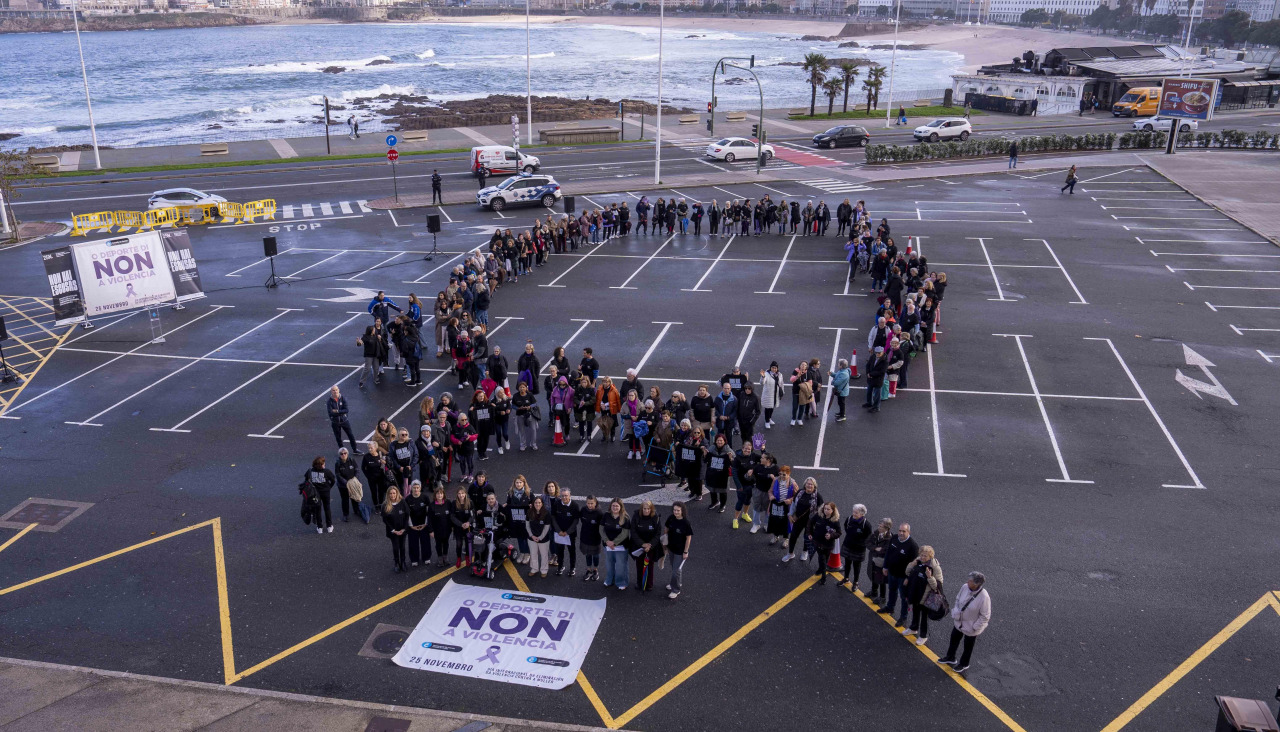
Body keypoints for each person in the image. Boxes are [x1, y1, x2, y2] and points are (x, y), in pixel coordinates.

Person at [939, 571, 991, 673]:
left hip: (971, 627)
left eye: (970, 580)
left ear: (976, 584)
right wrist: (956, 611)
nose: (968, 581)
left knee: (968, 647)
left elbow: (985, 616)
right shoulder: (964, 587)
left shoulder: (984, 597)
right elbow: (958, 599)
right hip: (959, 622)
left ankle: (964, 663)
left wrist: (975, 627)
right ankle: (950, 657)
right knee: (954, 639)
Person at [881, 522, 920, 627]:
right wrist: (885, 566)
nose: (901, 533)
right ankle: (890, 607)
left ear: (909, 532)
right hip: (891, 572)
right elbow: (888, 553)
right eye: (900, 530)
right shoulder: (894, 538)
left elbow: (915, 566)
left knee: (904, 597)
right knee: (892, 590)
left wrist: (908, 578)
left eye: (904, 531)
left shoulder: (913, 546)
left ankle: (903, 617)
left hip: (903, 577)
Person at [903, 545, 944, 645]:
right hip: (916, 593)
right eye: (921, 555)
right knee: (915, 612)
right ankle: (913, 628)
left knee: (924, 617)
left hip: (926, 597)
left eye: (925, 556)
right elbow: (908, 572)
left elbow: (938, 586)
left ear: (930, 556)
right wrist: (912, 564)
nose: (922, 558)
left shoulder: (935, 568)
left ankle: (923, 636)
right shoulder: (918, 561)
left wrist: (930, 577)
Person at [784, 477, 823, 562]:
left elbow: (821, 511)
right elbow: (794, 504)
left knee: (807, 537)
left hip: (811, 522)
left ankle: (804, 552)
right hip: (798, 519)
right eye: (808, 484)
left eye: (811, 484)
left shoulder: (818, 496)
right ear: (805, 485)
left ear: (814, 486)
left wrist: (818, 522)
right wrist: (790, 515)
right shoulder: (800, 492)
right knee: (793, 536)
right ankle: (790, 553)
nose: (809, 485)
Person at [663, 501, 693, 599]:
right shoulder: (671, 518)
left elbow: (688, 538)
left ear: (682, 511)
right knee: (674, 568)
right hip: (671, 548)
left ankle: (676, 590)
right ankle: (675, 583)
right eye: (674, 510)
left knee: (676, 570)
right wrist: (665, 542)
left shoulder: (685, 523)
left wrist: (686, 551)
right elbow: (666, 528)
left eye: (678, 510)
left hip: (680, 551)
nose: (676, 512)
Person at [840, 504, 871, 592]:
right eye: (853, 512)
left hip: (858, 549)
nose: (853, 514)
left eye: (856, 513)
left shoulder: (866, 524)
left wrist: (860, 543)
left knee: (856, 566)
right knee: (847, 563)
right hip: (848, 545)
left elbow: (868, 537)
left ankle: (856, 582)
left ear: (862, 514)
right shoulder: (849, 519)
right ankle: (846, 578)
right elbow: (846, 527)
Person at [601, 497, 631, 590]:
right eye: (613, 506)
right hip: (608, 546)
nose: (615, 508)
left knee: (621, 565)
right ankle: (610, 580)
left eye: (617, 506)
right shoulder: (606, 515)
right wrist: (607, 541)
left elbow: (625, 533)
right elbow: (601, 529)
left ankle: (622, 582)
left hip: (621, 547)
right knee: (609, 564)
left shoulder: (625, 517)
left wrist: (614, 542)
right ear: (610, 506)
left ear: (621, 507)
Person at [810, 502, 842, 585]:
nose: (826, 511)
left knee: (824, 559)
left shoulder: (835, 521)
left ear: (832, 511)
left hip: (828, 544)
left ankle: (821, 570)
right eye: (825, 508)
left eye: (828, 509)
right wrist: (810, 533)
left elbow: (839, 533)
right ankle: (823, 575)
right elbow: (810, 523)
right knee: (822, 559)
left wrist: (831, 535)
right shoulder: (818, 516)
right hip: (818, 542)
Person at [550, 486, 580, 577]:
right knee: (560, 551)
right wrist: (558, 530)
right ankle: (560, 566)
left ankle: (572, 568)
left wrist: (567, 532)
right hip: (559, 533)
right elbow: (553, 517)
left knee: (572, 551)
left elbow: (576, 520)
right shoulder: (557, 503)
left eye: (566, 495)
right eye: (562, 496)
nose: (564, 498)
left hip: (570, 534)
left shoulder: (575, 505)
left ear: (570, 495)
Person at [768, 465, 799, 546]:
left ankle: (786, 539)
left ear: (789, 474)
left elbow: (797, 496)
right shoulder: (775, 480)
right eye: (780, 474)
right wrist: (771, 496)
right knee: (775, 520)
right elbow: (770, 491)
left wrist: (790, 500)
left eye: (784, 474)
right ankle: (776, 536)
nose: (781, 476)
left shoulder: (793, 483)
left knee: (786, 523)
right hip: (776, 505)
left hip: (787, 506)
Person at [730, 439, 758, 530]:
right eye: (745, 449)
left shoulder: (753, 456)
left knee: (748, 500)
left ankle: (745, 514)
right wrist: (739, 486)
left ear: (751, 449)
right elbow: (734, 473)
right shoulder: (737, 458)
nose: (747, 450)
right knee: (740, 501)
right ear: (742, 449)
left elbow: (766, 459)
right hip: (742, 485)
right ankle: (735, 519)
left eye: (749, 449)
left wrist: (762, 449)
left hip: (751, 484)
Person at [305, 456, 337, 534]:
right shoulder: (326, 471)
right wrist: (329, 487)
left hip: (315, 493)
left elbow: (306, 479)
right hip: (325, 492)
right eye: (323, 463)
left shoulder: (310, 471)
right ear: (321, 465)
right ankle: (329, 526)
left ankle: (320, 527)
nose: (324, 464)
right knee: (327, 508)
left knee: (318, 509)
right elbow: (333, 480)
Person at [505, 474, 533, 564]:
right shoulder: (511, 493)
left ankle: (527, 553)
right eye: (517, 482)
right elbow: (508, 503)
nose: (518, 484)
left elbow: (536, 504)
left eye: (520, 482)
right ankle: (522, 553)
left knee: (526, 537)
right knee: (519, 537)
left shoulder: (529, 493)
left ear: (524, 483)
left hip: (527, 520)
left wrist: (531, 506)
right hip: (516, 519)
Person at [335, 447, 366, 523]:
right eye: (341, 454)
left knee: (354, 498)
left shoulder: (352, 460)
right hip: (343, 486)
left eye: (345, 453)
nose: (343, 455)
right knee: (345, 500)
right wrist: (347, 483)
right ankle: (346, 515)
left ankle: (356, 511)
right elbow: (338, 475)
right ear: (339, 455)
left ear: (347, 454)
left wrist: (355, 479)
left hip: (353, 483)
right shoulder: (338, 463)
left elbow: (357, 470)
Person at [750, 452, 778, 535]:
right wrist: (748, 475)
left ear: (768, 460)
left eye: (762, 458)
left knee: (768, 509)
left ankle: (766, 524)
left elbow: (781, 479)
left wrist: (775, 478)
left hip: (769, 493)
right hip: (758, 491)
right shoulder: (758, 467)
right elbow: (751, 477)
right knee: (756, 507)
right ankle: (756, 524)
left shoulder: (776, 468)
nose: (760, 459)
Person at [704, 433, 733, 513]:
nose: (719, 442)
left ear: (724, 441)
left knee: (723, 491)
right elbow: (705, 460)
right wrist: (705, 455)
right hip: (713, 473)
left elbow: (734, 462)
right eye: (718, 440)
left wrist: (731, 458)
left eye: (721, 440)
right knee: (712, 489)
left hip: (723, 475)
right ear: (715, 441)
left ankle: (722, 505)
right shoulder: (711, 448)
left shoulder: (728, 450)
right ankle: (714, 502)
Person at [405, 480, 431, 567]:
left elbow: (428, 512)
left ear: (420, 488)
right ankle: (414, 559)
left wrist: (425, 524)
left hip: (424, 525)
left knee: (425, 542)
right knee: (413, 543)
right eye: (414, 488)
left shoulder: (425, 497)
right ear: (411, 488)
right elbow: (407, 514)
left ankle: (426, 557)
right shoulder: (408, 499)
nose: (416, 489)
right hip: (413, 526)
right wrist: (411, 526)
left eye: (417, 487)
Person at [357, 319, 389, 388]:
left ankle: (376, 379)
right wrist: (358, 342)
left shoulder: (376, 336)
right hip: (368, 355)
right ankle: (362, 381)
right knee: (367, 368)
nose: (375, 330)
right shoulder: (365, 337)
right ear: (371, 331)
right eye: (374, 330)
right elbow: (361, 343)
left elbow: (380, 342)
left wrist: (380, 339)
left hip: (375, 354)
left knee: (376, 368)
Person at [326, 386, 360, 453]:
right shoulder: (329, 401)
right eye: (333, 390)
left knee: (351, 435)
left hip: (344, 421)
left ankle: (355, 449)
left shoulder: (343, 398)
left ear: (338, 390)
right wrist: (341, 412)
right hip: (335, 422)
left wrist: (337, 411)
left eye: (336, 390)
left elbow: (346, 410)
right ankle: (342, 451)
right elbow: (331, 413)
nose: (335, 391)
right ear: (331, 392)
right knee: (338, 438)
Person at [383, 486, 409, 572]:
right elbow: (385, 520)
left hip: (402, 530)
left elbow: (407, 515)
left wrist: (404, 529)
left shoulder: (402, 502)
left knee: (402, 547)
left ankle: (403, 562)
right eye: (390, 493)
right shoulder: (385, 505)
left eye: (394, 493)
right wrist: (394, 530)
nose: (392, 495)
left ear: (397, 493)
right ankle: (396, 563)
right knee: (395, 547)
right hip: (393, 532)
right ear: (388, 494)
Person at [868, 517, 893, 603]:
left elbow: (885, 550)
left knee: (882, 580)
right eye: (879, 525)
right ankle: (874, 591)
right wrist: (875, 548)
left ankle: (882, 597)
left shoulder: (890, 538)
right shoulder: (876, 533)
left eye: (881, 526)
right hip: (874, 559)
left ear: (887, 528)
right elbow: (868, 543)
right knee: (873, 575)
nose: (879, 528)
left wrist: (876, 549)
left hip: (882, 562)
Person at [579, 495, 604, 582]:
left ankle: (595, 570)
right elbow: (582, 520)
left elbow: (601, 526)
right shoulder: (583, 510)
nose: (590, 505)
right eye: (588, 503)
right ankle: (589, 570)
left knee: (596, 555)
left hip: (595, 538)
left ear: (595, 503)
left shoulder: (599, 513)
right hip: (585, 536)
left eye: (592, 503)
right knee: (588, 554)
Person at [526, 495, 552, 578]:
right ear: (533, 504)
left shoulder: (546, 513)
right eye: (536, 502)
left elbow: (546, 527)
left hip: (544, 539)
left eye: (539, 503)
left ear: (542, 504)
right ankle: (534, 569)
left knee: (544, 555)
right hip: (531, 538)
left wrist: (540, 537)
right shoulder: (529, 512)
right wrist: (532, 536)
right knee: (533, 554)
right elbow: (527, 526)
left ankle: (544, 570)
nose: (537, 504)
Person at [427, 486, 452, 567]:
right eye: (438, 494)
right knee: (438, 544)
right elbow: (429, 519)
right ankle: (440, 558)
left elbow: (451, 516)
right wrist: (430, 531)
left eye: (441, 494)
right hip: (437, 530)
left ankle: (445, 556)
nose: (439, 495)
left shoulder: (448, 503)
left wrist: (452, 527)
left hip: (447, 529)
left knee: (446, 543)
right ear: (435, 495)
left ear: (443, 494)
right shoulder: (432, 505)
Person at [512, 381, 539, 452]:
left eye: (523, 387)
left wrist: (529, 407)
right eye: (520, 387)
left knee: (533, 430)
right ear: (518, 388)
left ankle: (533, 444)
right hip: (520, 415)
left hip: (530, 415)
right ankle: (523, 444)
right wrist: (518, 408)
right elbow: (512, 405)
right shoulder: (515, 396)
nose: (522, 389)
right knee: (521, 431)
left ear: (526, 388)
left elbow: (535, 404)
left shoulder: (530, 395)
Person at [450, 487, 473, 568]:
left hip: (468, 527)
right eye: (459, 493)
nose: (461, 495)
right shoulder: (454, 503)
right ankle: (459, 558)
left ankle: (467, 558)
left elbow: (472, 516)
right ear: (457, 494)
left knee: (467, 544)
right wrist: (461, 524)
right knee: (459, 544)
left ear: (465, 494)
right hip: (458, 528)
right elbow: (452, 517)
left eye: (462, 493)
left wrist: (468, 522)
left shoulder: (470, 502)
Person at [712, 383, 738, 447]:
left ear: (730, 389)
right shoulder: (718, 398)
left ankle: (729, 452)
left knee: (729, 439)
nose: (726, 390)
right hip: (720, 422)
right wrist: (719, 416)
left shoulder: (734, 399)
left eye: (728, 388)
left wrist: (728, 417)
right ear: (722, 388)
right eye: (725, 388)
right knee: (719, 438)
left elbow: (735, 411)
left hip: (729, 423)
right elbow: (714, 409)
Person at [759, 362, 783, 428]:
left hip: (775, 394)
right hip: (768, 395)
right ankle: (767, 421)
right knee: (767, 408)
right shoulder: (766, 374)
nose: (774, 369)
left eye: (775, 368)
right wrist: (763, 376)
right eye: (772, 367)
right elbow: (762, 383)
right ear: (770, 367)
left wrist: (782, 392)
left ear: (777, 368)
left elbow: (781, 384)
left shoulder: (779, 375)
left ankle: (769, 418)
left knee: (772, 407)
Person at [864, 346, 888, 413]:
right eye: (876, 353)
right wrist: (868, 373)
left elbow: (882, 371)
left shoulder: (885, 361)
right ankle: (869, 403)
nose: (877, 354)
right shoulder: (873, 356)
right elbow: (868, 365)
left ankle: (876, 407)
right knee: (869, 392)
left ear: (883, 352)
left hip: (878, 380)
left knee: (877, 395)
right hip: (871, 378)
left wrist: (871, 374)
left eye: (879, 353)